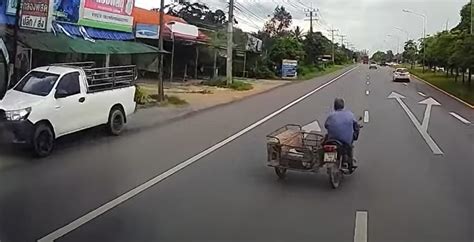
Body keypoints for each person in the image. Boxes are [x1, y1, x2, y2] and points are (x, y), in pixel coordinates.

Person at [324, 98, 359, 169]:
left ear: (334, 106)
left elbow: (326, 125)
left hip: (332, 139)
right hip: (345, 141)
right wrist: (355, 135)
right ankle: (349, 163)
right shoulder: (350, 114)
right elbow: (356, 126)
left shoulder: (331, 116)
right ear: (343, 106)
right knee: (349, 146)